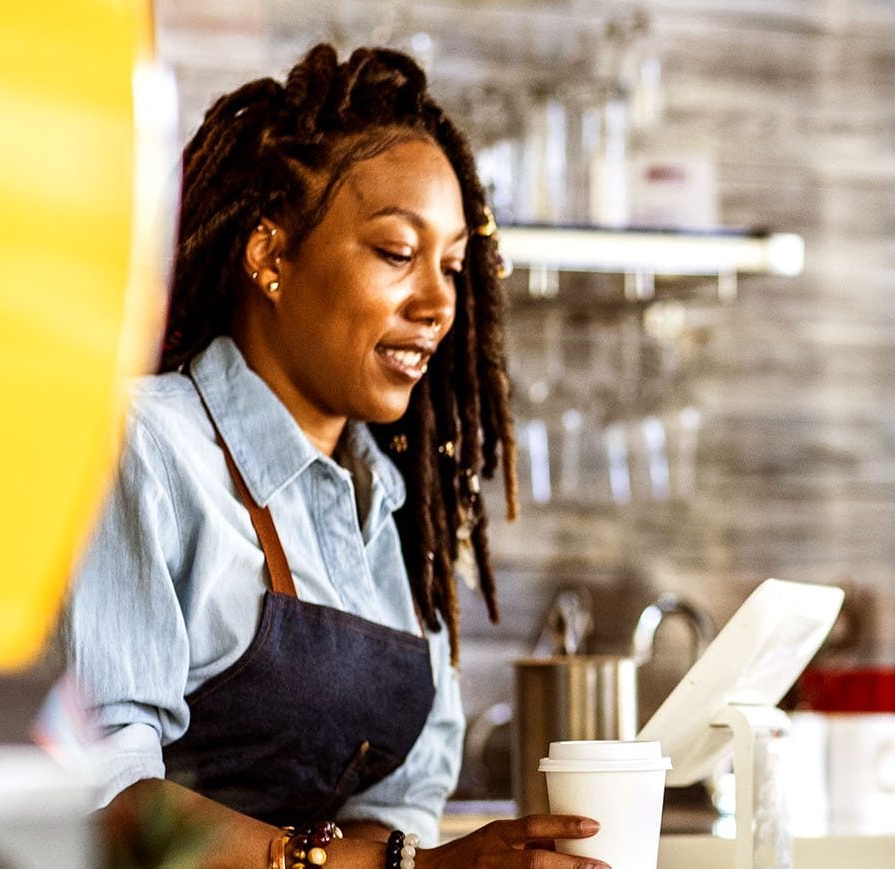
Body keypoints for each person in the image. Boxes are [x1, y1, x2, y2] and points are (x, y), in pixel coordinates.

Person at [61, 45, 607, 868]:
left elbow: (401, 811)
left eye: (453, 267)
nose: (437, 304)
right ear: (271, 255)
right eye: (396, 253)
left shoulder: (390, 509)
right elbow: (109, 803)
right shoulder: (144, 449)